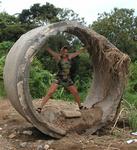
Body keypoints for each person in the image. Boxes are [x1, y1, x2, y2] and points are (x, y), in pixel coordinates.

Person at [36, 46, 85, 113]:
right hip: (59, 78)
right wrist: (45, 46)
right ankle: (40, 107)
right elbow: (50, 51)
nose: (65, 53)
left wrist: (86, 47)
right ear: (61, 52)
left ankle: (80, 107)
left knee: (75, 92)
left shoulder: (69, 57)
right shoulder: (58, 57)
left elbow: (78, 52)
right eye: (64, 51)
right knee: (50, 92)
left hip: (67, 78)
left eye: (66, 51)